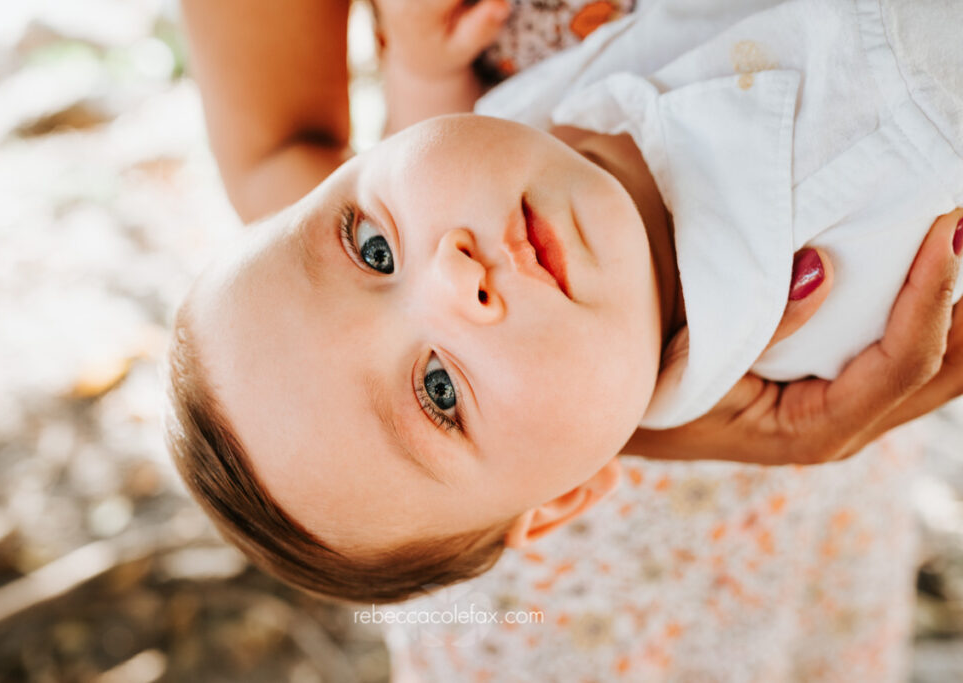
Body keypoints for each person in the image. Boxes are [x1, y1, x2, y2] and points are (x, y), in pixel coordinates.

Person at [173, 0, 963, 679]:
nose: (454, 277)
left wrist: (423, 71)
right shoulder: (842, 295)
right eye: (439, 392)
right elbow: (273, 145)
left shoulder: (520, 150)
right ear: (562, 498)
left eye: (373, 247)